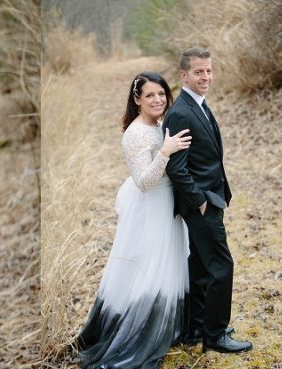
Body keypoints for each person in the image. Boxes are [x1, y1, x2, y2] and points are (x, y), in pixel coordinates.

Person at [77, 72, 193, 369]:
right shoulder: (135, 133)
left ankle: (168, 327)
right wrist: (165, 153)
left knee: (167, 266)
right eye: (150, 95)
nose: (157, 100)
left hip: (168, 204)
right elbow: (143, 181)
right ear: (137, 99)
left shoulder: (160, 125)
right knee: (148, 268)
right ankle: (139, 334)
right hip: (150, 207)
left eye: (161, 94)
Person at [163, 47, 252, 353]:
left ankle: (196, 328)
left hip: (212, 197)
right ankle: (215, 336)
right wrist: (200, 201)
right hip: (201, 203)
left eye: (209, 71)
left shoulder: (197, 104)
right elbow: (177, 167)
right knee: (221, 265)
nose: (206, 77)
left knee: (201, 265)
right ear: (183, 75)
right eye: (199, 72)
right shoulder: (180, 112)